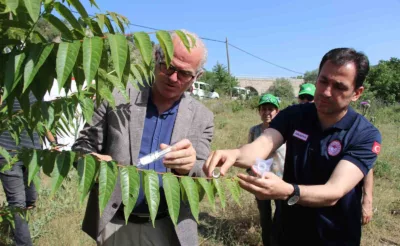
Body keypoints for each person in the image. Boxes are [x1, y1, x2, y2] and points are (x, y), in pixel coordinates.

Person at [204, 48, 381, 245]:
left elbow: (334, 191)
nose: (326, 92)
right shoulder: (294, 115)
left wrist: (289, 191)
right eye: (323, 81)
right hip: (287, 233)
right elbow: (262, 146)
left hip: (334, 236)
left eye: (339, 86)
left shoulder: (365, 135)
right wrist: (234, 154)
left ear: (357, 93)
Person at [72, 30, 214, 246]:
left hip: (168, 228)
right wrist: (91, 162)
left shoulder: (202, 117)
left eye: (184, 74)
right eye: (168, 66)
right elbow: (82, 147)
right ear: (155, 57)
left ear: (197, 76)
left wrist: (190, 166)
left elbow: (202, 175)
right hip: (116, 224)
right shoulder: (116, 96)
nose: (173, 78)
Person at [0, 93, 56, 246]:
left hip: (32, 153)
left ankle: (14, 226)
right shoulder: (5, 84)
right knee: (17, 203)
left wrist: (53, 141)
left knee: (30, 198)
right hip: (7, 153)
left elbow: (42, 119)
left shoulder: (37, 87)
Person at [247, 93, 285, 246]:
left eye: (271, 109)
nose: (267, 112)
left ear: (277, 111)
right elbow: (249, 154)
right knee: (265, 217)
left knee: (281, 217)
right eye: (264, 109)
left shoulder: (284, 130)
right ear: (259, 111)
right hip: (260, 181)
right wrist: (251, 172)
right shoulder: (254, 131)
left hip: (281, 181)